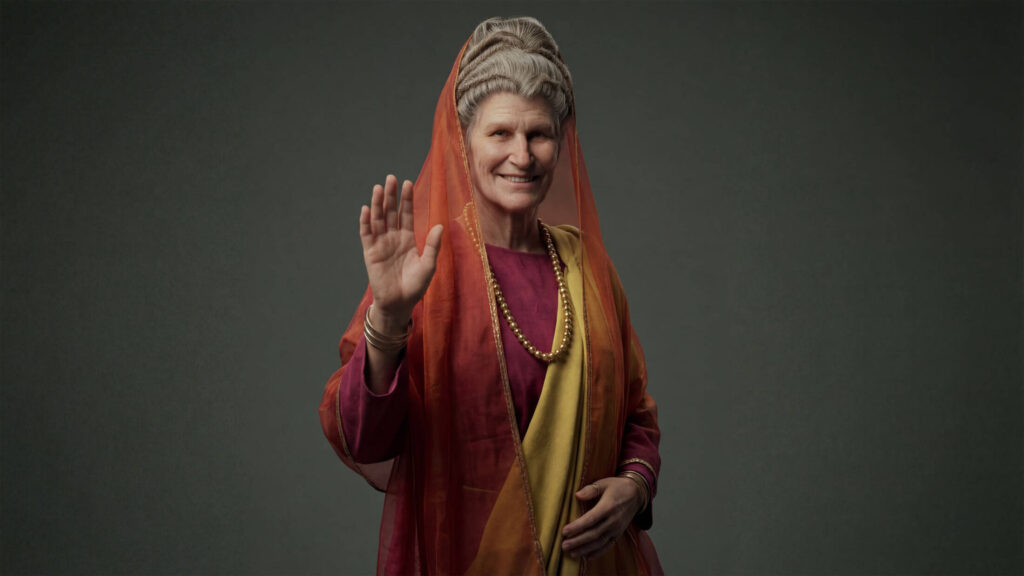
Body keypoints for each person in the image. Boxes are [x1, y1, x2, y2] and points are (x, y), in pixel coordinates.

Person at [319, 16, 662, 575]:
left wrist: (635, 485)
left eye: (539, 134)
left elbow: (635, 412)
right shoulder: (425, 270)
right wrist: (390, 317)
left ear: (561, 143)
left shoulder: (589, 268)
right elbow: (363, 438)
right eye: (500, 133)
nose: (521, 156)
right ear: (464, 141)